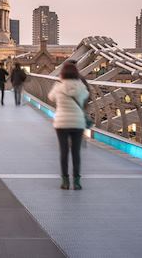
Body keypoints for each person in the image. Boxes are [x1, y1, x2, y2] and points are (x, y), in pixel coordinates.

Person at [47, 61, 90, 190]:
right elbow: (85, 97)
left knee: (64, 151)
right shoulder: (81, 86)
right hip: (77, 122)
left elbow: (50, 97)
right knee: (76, 152)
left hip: (61, 122)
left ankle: (65, 181)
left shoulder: (58, 86)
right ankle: (76, 182)